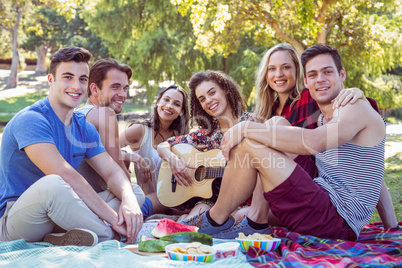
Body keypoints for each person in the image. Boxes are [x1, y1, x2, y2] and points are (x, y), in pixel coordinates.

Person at [180, 44, 387, 241]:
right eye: (313, 75)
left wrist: (246, 127)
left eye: (328, 72)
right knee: (275, 123)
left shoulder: (355, 106)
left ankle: (216, 220)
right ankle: (253, 221)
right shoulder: (324, 114)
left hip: (337, 220)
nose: (320, 80)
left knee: (252, 140)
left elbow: (315, 141)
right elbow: (370, 168)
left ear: (342, 75)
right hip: (319, 193)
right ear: (305, 80)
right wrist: (391, 227)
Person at [0, 47, 141, 246]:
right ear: (51, 80)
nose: (76, 86)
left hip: (60, 213)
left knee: (133, 192)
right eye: (68, 77)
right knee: (54, 184)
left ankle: (69, 235)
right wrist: (112, 218)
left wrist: (130, 201)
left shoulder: (83, 127)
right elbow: (65, 175)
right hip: (16, 219)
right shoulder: (32, 120)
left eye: (82, 79)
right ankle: (113, 237)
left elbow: (111, 172)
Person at [157, 70, 258, 221]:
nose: (208, 101)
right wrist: (173, 160)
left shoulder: (252, 123)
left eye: (212, 93)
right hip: (213, 202)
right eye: (202, 99)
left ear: (225, 89)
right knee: (191, 224)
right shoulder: (207, 135)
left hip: (248, 203)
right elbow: (163, 146)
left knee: (235, 218)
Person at [75, 58, 145, 208]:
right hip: (84, 203)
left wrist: (131, 157)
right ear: (94, 90)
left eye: (125, 88)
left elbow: (103, 154)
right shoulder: (105, 113)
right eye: (115, 87)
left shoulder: (79, 113)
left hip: (73, 200)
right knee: (137, 193)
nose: (122, 94)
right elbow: (118, 173)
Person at [119, 85, 189, 219]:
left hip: (179, 201)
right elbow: (104, 150)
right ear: (158, 102)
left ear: (181, 111)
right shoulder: (140, 130)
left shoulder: (181, 136)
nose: (169, 106)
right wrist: (134, 157)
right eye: (166, 100)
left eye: (176, 104)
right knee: (129, 216)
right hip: (151, 200)